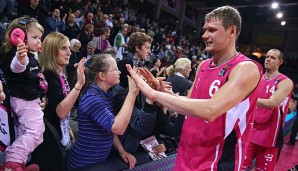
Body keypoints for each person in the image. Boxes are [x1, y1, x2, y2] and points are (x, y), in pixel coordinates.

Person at [126, 6, 262, 170]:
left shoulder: (245, 68)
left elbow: (210, 110)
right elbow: (190, 104)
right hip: (186, 154)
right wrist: (165, 93)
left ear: (232, 31)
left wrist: (153, 94)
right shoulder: (204, 65)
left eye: (212, 30)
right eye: (205, 30)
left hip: (216, 162)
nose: (204, 35)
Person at [67, 54, 138, 170]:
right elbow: (118, 128)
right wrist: (132, 93)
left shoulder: (103, 94)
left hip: (96, 163)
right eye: (115, 69)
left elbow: (108, 127)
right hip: (83, 164)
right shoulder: (92, 98)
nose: (119, 72)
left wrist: (121, 151)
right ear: (102, 76)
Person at [28, 32, 85, 171]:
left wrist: (68, 129)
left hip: (57, 134)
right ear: (51, 51)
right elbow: (61, 111)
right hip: (48, 142)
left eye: (69, 49)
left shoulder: (58, 73)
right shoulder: (48, 74)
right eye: (63, 48)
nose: (69, 53)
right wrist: (79, 84)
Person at [0, 17, 47, 171]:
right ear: (18, 35)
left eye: (40, 37)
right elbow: (17, 67)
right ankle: (13, 162)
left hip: (28, 101)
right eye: (34, 37)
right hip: (25, 101)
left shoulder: (31, 56)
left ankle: (21, 163)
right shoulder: (18, 56)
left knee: (24, 132)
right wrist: (21, 57)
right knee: (36, 132)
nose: (38, 41)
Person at [242, 49, 294, 171]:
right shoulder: (256, 78)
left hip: (270, 134)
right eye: (267, 57)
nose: (268, 59)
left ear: (280, 62)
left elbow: (272, 103)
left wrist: (244, 98)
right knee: (240, 167)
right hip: (251, 130)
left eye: (273, 58)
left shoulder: (285, 82)